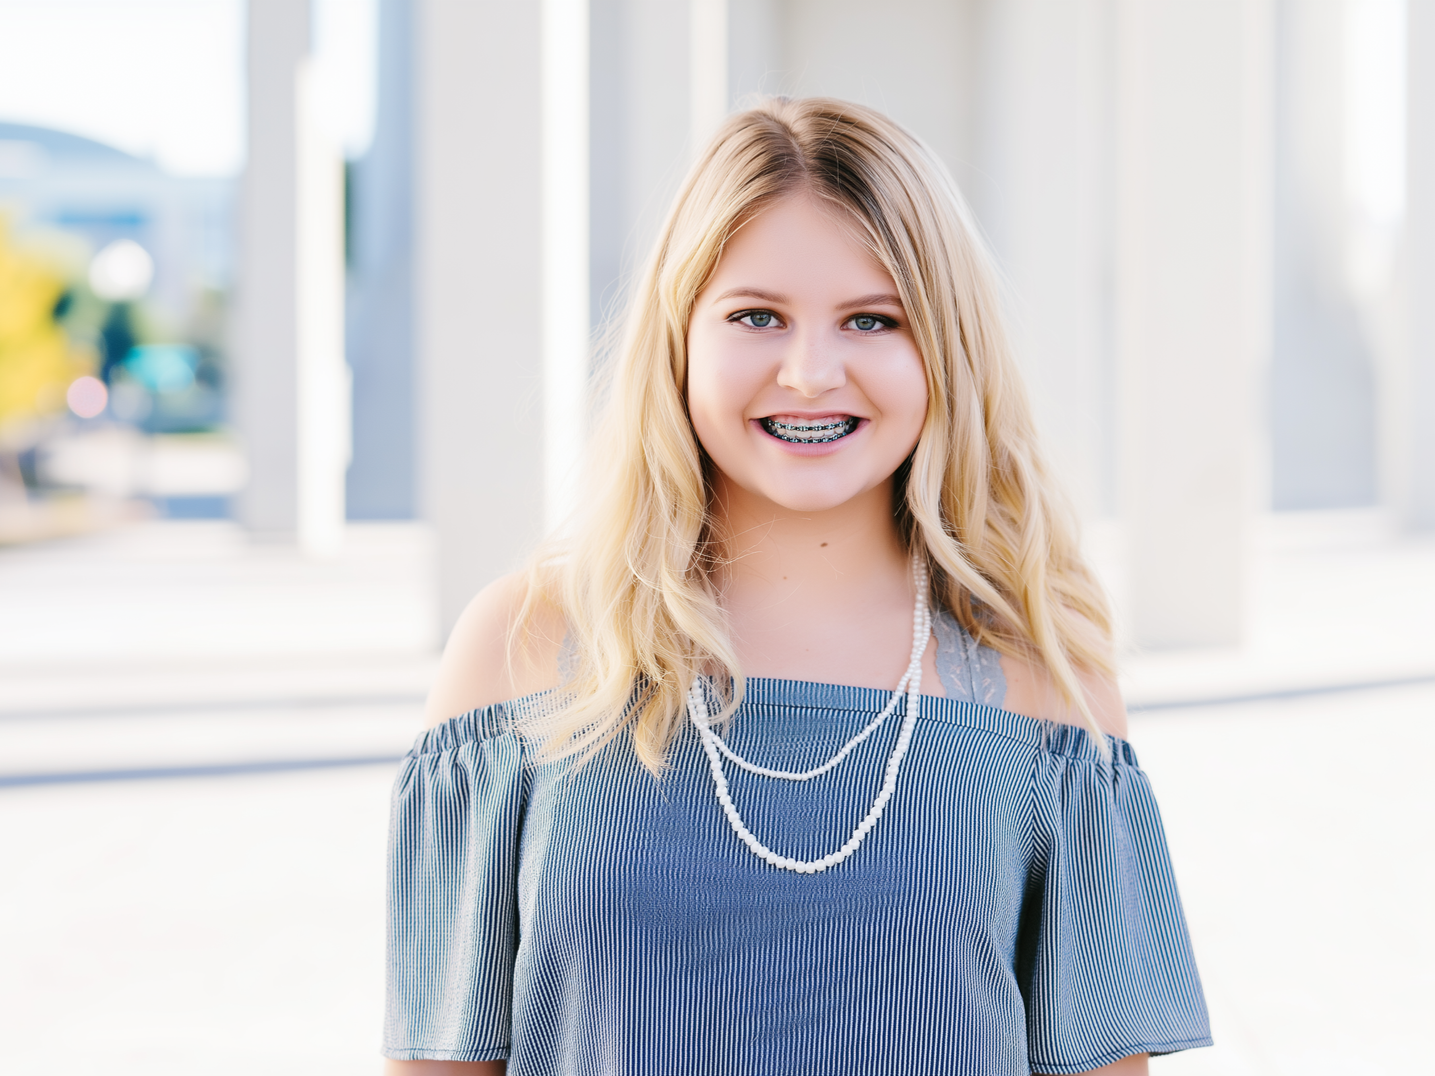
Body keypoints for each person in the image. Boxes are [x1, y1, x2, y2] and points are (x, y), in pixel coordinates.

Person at [382, 97, 1211, 1076]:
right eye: (755, 315)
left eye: (872, 319)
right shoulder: (523, 642)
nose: (810, 372)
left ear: (944, 347)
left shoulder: (1041, 675)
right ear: (680, 338)